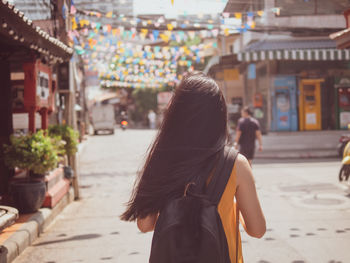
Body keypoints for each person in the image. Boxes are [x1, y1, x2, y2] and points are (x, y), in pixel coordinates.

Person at [121, 72, 266, 263]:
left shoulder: (162, 158)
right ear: (219, 115)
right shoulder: (236, 164)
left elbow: (145, 224)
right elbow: (257, 230)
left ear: (176, 115)